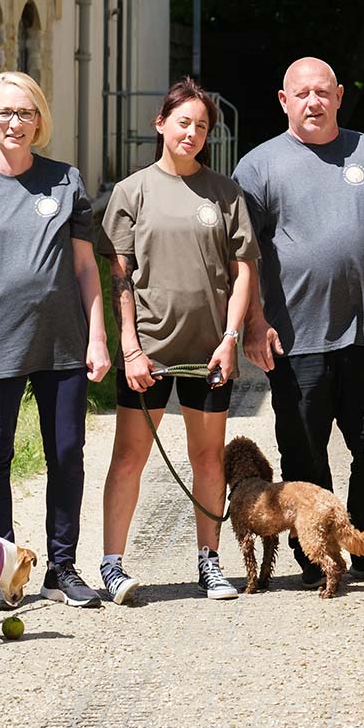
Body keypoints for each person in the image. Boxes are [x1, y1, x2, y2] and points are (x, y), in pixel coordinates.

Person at [233, 57, 364, 586]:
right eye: (302, 94)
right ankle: (316, 554)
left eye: (323, 92)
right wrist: (253, 321)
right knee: (304, 455)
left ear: (339, 95)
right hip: (295, 341)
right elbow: (242, 255)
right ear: (283, 100)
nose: (313, 102)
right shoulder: (258, 166)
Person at [0, 71, 111, 609]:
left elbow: (85, 268)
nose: (15, 122)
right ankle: (1, 570)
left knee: (67, 453)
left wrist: (97, 337)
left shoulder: (66, 180)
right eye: (4, 113)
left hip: (62, 344)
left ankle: (61, 568)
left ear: (39, 120)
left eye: (25, 112)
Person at [96, 77, 257, 604]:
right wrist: (130, 348)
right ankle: (113, 564)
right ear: (161, 124)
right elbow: (120, 277)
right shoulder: (131, 192)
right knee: (128, 458)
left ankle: (209, 562)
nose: (192, 133)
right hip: (149, 354)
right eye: (183, 122)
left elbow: (243, 272)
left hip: (209, 353)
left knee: (208, 459)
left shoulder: (225, 193)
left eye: (202, 126)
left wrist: (231, 338)